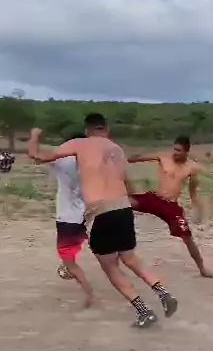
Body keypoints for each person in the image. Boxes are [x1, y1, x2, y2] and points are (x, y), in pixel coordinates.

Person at [28, 113, 178, 328]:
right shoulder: (117, 149)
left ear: (87, 130)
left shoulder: (80, 143)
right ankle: (163, 292)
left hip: (101, 211)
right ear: (106, 129)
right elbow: (126, 180)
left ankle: (144, 312)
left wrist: (35, 135)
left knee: (110, 267)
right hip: (123, 207)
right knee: (130, 258)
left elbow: (36, 155)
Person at [128, 135, 213, 278]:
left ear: (186, 152)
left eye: (179, 151)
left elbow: (193, 191)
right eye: (174, 149)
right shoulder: (163, 157)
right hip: (154, 199)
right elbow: (134, 159)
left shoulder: (192, 168)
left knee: (187, 236)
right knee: (122, 202)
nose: (175, 153)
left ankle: (202, 268)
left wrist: (197, 208)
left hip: (170, 206)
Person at [43, 131, 94, 305]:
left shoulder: (62, 160)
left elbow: (35, 155)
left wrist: (34, 136)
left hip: (67, 218)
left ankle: (90, 295)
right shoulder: (91, 163)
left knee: (69, 260)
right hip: (86, 214)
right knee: (77, 248)